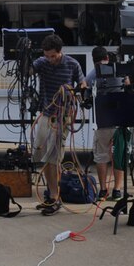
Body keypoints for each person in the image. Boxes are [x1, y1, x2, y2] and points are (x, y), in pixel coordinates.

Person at [31, 34, 85, 215]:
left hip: (63, 117)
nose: (50, 59)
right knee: (42, 155)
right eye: (47, 56)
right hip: (46, 114)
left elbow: (82, 83)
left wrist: (77, 91)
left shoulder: (72, 64)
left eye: (53, 56)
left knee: (53, 157)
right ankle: (51, 193)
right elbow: (28, 71)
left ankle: (55, 196)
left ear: (60, 52)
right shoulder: (42, 63)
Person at [84, 46, 125, 200]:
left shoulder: (93, 74)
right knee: (119, 155)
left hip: (102, 120)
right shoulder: (118, 70)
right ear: (107, 57)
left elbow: (86, 90)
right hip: (120, 121)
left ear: (94, 60)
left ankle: (103, 190)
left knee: (101, 156)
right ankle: (117, 190)